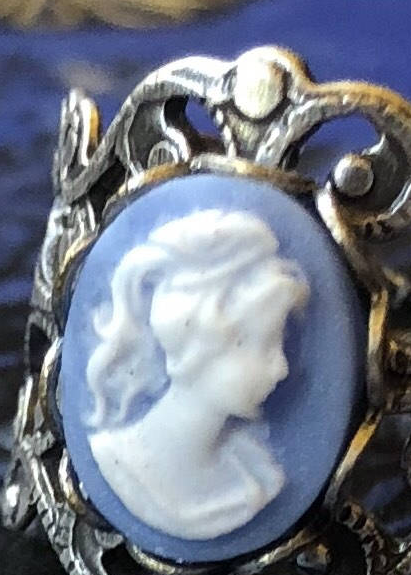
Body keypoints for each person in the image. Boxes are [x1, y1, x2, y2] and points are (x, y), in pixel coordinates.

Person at [84, 204, 310, 541]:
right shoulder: (116, 459)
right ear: (200, 346)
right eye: (264, 345)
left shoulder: (257, 475)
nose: (281, 367)